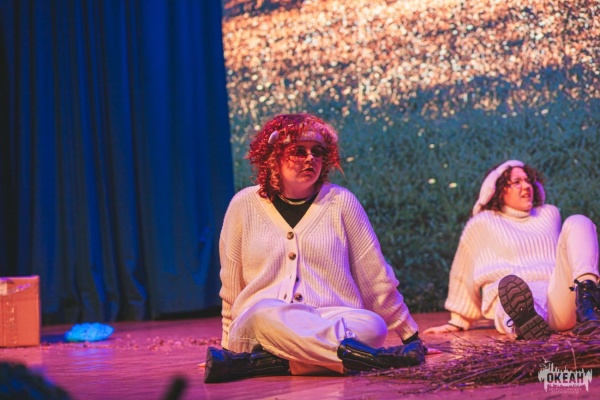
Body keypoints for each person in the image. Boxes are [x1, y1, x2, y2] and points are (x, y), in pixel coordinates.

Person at [203, 113, 425, 383]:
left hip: (329, 315)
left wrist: (410, 336)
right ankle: (369, 358)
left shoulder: (341, 202)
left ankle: (256, 364)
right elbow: (231, 287)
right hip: (264, 324)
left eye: (317, 152)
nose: (311, 159)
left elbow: (375, 277)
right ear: (273, 156)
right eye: (299, 151)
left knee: (373, 326)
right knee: (263, 312)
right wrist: (228, 345)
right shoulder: (243, 205)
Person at [423, 160, 600, 340]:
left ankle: (587, 303)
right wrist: (458, 320)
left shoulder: (549, 213)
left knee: (579, 221)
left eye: (528, 180)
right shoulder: (482, 222)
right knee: (511, 297)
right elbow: (462, 271)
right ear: (498, 190)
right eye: (516, 182)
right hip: (510, 296)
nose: (526, 186)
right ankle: (524, 325)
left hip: (556, 294)